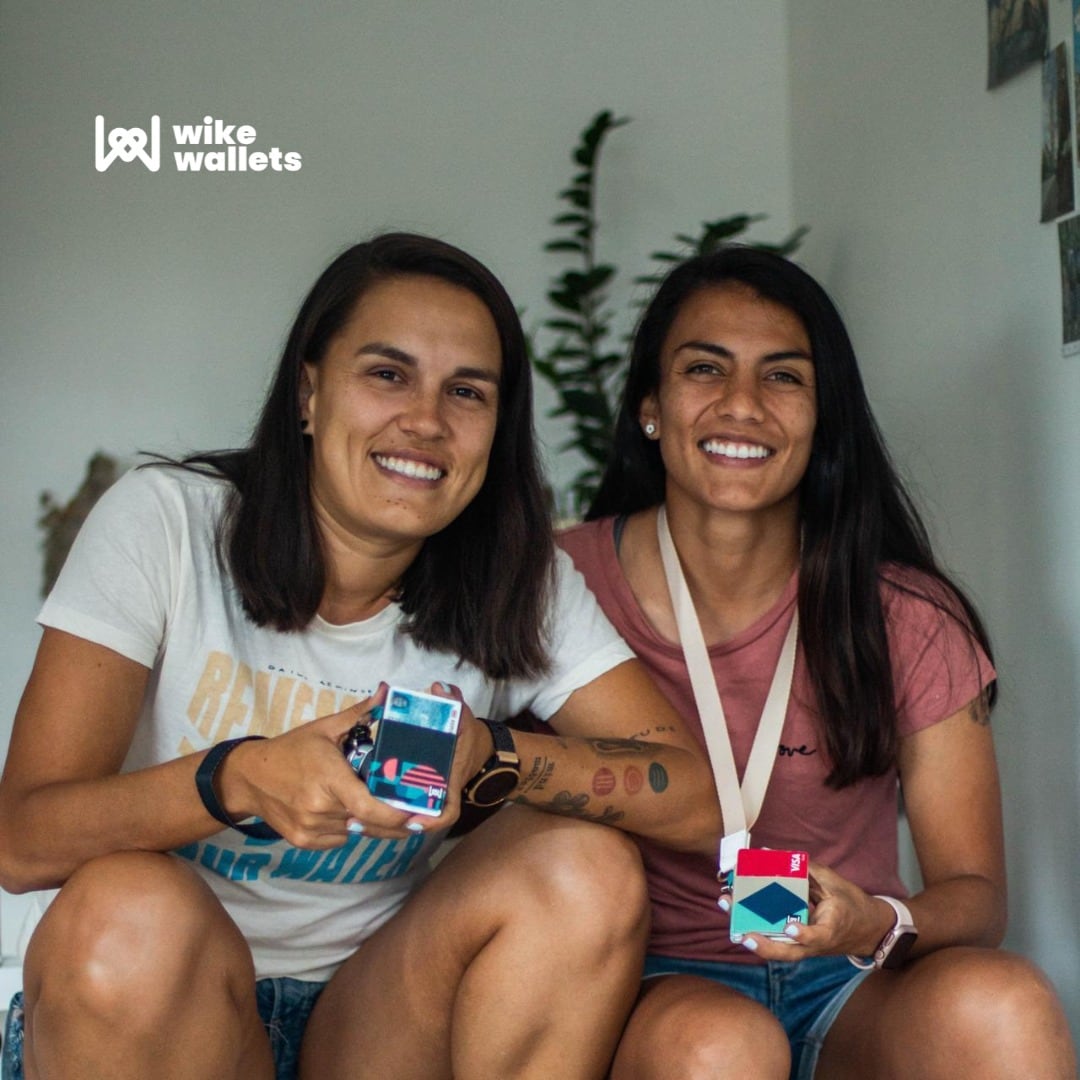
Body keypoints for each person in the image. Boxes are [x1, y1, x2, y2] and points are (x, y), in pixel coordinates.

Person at [0, 232, 721, 1080]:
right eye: (388, 374)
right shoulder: (166, 522)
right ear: (309, 393)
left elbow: (698, 801)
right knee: (126, 907)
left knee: (584, 866)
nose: (427, 421)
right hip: (159, 1006)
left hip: (373, 1021)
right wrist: (236, 779)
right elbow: (21, 841)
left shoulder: (520, 579)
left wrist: (491, 755)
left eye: (467, 392)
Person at [558, 246, 1077, 1079]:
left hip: (848, 978)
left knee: (1003, 1001)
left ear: (823, 415)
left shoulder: (905, 614)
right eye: (705, 368)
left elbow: (977, 896)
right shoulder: (558, 585)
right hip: (653, 984)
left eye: (783, 376)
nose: (741, 404)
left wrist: (874, 921)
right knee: (721, 1047)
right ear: (650, 405)